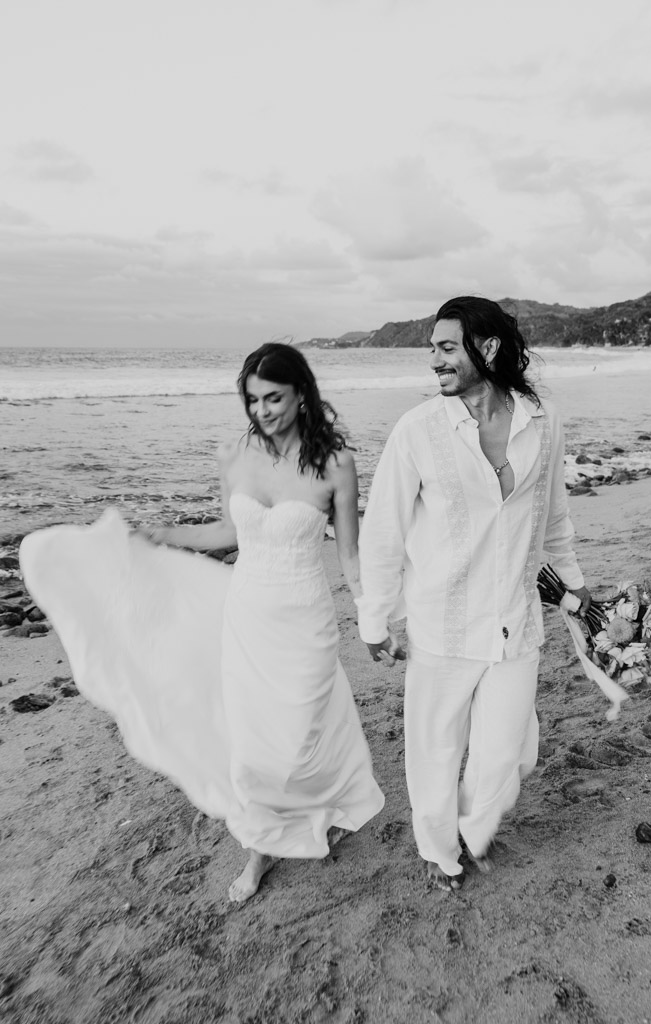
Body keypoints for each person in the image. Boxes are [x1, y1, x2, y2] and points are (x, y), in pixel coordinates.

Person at [20, 343, 384, 903]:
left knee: (298, 736)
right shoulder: (235, 455)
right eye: (253, 400)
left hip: (305, 620)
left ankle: (315, 806)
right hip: (246, 615)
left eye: (274, 398)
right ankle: (259, 848)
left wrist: (372, 617)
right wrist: (162, 536)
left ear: (302, 394)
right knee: (252, 741)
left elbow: (350, 554)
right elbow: (228, 532)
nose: (262, 411)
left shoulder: (336, 464)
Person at [356, 296, 590, 892]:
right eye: (432, 348)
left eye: (445, 347)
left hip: (515, 616)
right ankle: (441, 851)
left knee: (509, 753)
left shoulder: (543, 419)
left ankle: (474, 826)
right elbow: (383, 529)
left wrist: (576, 584)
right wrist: (374, 618)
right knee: (434, 752)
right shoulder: (418, 429)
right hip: (443, 620)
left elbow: (554, 514)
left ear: (487, 347)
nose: (433, 359)